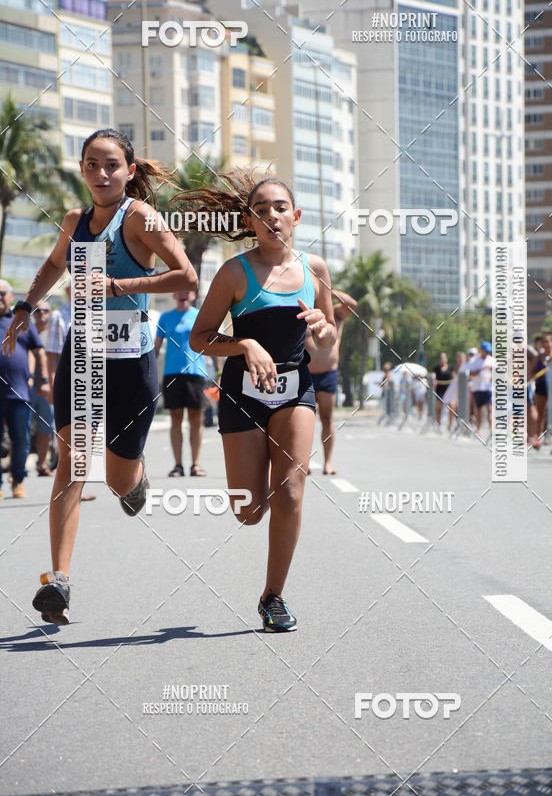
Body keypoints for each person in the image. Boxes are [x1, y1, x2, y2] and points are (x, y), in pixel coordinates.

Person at [4, 128, 197, 625]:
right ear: (84, 169)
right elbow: (52, 266)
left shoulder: (142, 218)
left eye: (112, 164)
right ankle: (60, 581)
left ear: (129, 171)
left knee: (115, 481)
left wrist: (117, 284)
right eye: (92, 163)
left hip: (131, 361)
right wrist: (27, 304)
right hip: (82, 355)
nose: (101, 172)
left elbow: (186, 277)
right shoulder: (74, 221)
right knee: (72, 464)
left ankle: (135, 477)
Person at [183, 171, 336, 632]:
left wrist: (324, 330)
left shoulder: (316, 270)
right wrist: (245, 345)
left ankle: (273, 597)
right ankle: (260, 492)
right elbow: (199, 338)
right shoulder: (235, 272)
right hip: (242, 395)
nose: (272, 216)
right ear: (250, 220)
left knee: (290, 490)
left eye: (280, 207)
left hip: (295, 390)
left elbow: (328, 339)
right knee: (249, 511)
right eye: (261, 209)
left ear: (297, 216)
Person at [0, 280, 50, 498]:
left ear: (11, 297)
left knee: (20, 439)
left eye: (2, 293)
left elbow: (39, 351)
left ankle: (18, 480)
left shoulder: (20, 320)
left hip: (19, 392)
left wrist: (44, 379)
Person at [155, 291, 209, 477]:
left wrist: (218, 371)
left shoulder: (199, 316)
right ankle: (178, 465)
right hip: (172, 373)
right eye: (179, 291)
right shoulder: (165, 317)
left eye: (187, 291)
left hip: (195, 373)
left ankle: (195, 464)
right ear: (174, 295)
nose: (183, 294)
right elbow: (156, 347)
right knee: (176, 419)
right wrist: (150, 373)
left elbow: (211, 341)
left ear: (193, 295)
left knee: (196, 419)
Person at [305, 288, 357, 474]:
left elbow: (352, 305)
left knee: (327, 419)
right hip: (306, 374)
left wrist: (330, 290)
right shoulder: (306, 311)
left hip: (328, 374)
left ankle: (327, 463)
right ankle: (306, 461)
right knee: (305, 420)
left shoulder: (334, 313)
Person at [30, 301, 54, 475]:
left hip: (48, 389)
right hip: (27, 387)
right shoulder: (26, 332)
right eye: (37, 311)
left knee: (45, 428)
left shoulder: (54, 335)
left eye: (45, 310)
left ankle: (42, 464)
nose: (41, 313)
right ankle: (20, 466)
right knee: (23, 427)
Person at [469, 340, 495, 438]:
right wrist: (482, 369)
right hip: (477, 388)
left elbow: (498, 373)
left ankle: (491, 429)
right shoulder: (475, 360)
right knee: (478, 409)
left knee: (489, 408)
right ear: (482, 350)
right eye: (486, 351)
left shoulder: (492, 360)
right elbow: (471, 374)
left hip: (488, 388)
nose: (488, 353)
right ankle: (478, 429)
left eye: (489, 351)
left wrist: (493, 373)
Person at [433, 352, 452, 426]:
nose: (442, 360)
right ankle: (438, 425)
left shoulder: (451, 368)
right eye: (441, 358)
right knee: (438, 410)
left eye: (444, 358)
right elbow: (434, 378)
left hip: (449, 392)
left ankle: (450, 426)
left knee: (451, 409)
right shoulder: (436, 369)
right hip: (440, 392)